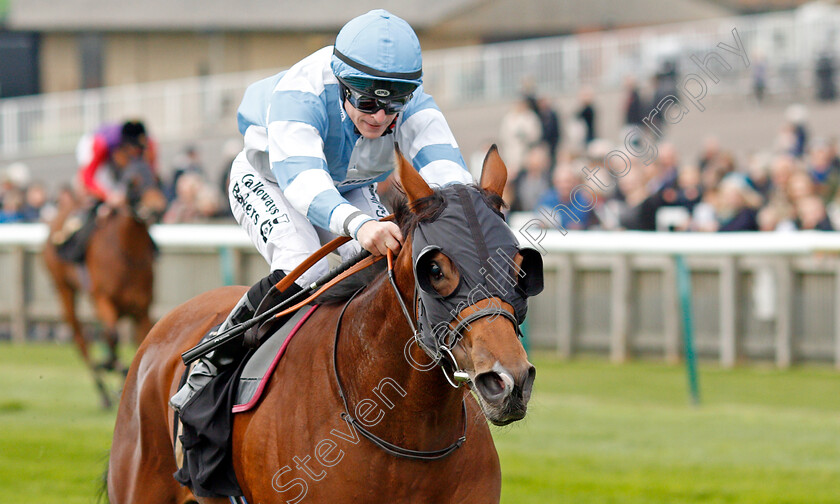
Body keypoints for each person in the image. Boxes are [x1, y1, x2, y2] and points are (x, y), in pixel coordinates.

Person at [170, 9, 473, 411]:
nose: (380, 117)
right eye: (366, 101)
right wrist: (360, 225)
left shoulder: (412, 101)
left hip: (347, 186)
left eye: (392, 105)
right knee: (307, 265)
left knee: (373, 267)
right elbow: (305, 184)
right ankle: (214, 358)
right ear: (343, 86)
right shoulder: (303, 92)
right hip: (274, 180)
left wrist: (475, 221)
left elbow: (447, 171)